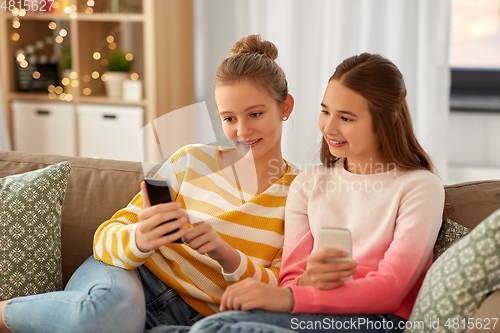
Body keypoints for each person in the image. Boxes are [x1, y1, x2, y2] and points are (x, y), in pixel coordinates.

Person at [0, 35, 300, 333]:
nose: (242, 130)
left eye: (255, 114)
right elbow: (105, 238)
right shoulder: (190, 160)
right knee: (103, 316)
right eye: (229, 118)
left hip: (198, 319)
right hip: (129, 278)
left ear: (285, 106)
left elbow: (280, 292)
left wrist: (225, 253)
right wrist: (142, 237)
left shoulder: (300, 192)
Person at [189, 53, 445, 333]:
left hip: (378, 320)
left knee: (216, 329)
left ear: (388, 119)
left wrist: (289, 297)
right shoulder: (308, 184)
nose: (329, 128)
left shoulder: (419, 186)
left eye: (346, 117)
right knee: (214, 325)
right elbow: (291, 280)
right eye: (325, 112)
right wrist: (308, 280)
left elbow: (390, 290)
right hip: (313, 313)